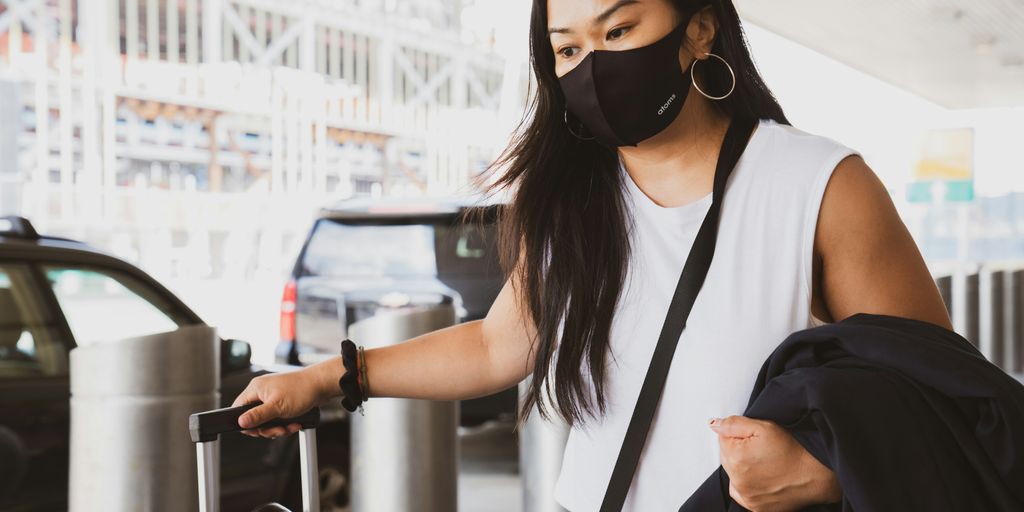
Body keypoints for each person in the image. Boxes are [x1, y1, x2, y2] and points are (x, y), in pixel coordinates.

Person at [232, 0, 954, 510]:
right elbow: (494, 348)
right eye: (569, 48)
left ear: (699, 29)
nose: (594, 67)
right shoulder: (572, 199)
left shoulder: (819, 185)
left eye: (618, 29)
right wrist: (327, 379)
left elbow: (935, 400)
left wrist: (824, 473)